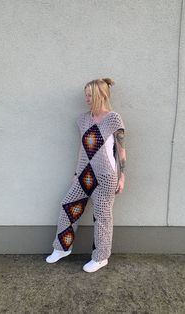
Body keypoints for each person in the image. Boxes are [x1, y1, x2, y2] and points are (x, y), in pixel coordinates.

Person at [46, 78, 127, 272]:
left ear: (100, 95)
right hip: (84, 175)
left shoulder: (113, 119)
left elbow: (121, 151)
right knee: (68, 205)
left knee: (102, 216)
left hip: (106, 176)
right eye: (86, 95)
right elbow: (82, 150)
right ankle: (62, 247)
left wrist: (122, 176)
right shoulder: (83, 120)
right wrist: (76, 172)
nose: (86, 98)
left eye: (90, 95)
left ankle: (101, 257)